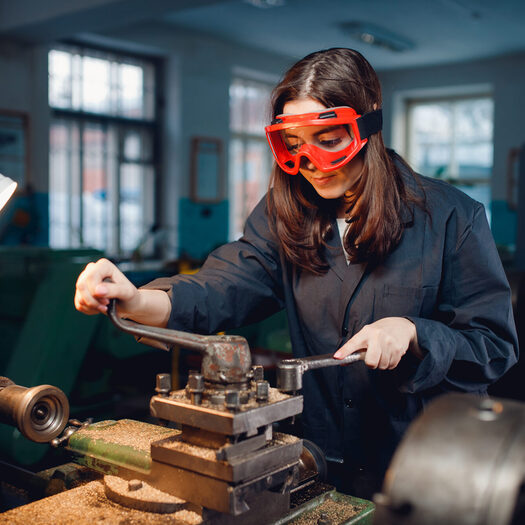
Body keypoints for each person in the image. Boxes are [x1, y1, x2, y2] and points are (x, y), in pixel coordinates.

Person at [74, 48, 518, 499]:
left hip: (422, 463)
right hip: (319, 457)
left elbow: (494, 346)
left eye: (328, 139)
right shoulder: (285, 214)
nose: (312, 162)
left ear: (367, 127)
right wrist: (137, 300)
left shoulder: (452, 218)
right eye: (295, 143)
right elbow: (224, 286)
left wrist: (413, 331)